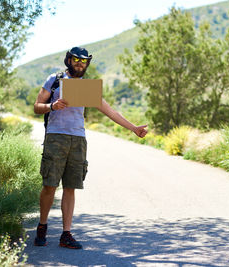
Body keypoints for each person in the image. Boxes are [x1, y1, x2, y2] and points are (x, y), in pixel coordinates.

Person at [33, 46, 147, 249]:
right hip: (55, 137)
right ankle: (42, 226)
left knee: (71, 187)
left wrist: (133, 128)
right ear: (69, 60)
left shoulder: (87, 87)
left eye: (83, 61)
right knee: (50, 185)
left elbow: (109, 110)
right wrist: (52, 106)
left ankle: (66, 234)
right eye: (76, 59)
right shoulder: (55, 80)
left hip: (78, 140)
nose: (79, 63)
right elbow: (36, 107)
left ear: (87, 64)